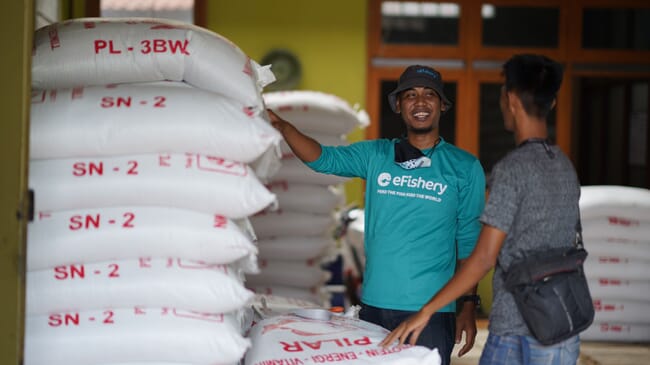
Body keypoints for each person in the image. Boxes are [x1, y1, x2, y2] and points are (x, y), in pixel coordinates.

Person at [267, 65, 486, 365]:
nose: (420, 102)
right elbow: (323, 159)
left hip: (432, 314)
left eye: (429, 95)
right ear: (398, 105)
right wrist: (285, 128)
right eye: (410, 95)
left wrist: (469, 307)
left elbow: (470, 243)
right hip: (374, 309)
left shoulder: (464, 167)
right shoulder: (376, 155)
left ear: (442, 105)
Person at [380, 54, 582, 364]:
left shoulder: (513, 169)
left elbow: (484, 257)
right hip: (560, 321)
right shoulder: (565, 167)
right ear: (552, 104)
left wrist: (427, 311)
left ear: (510, 99)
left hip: (517, 325)